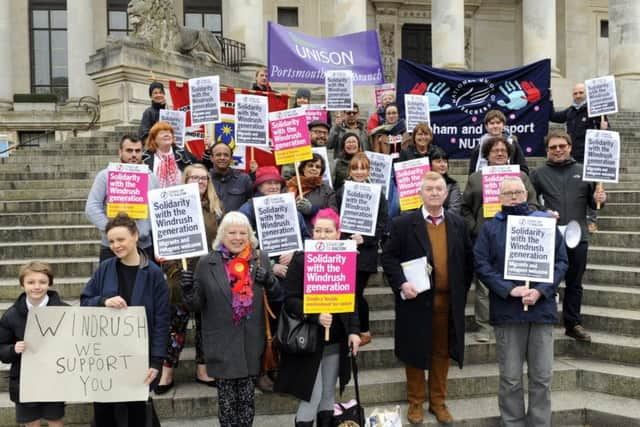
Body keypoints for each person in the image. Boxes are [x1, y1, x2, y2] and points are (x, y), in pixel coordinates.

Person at [474, 176, 568, 427]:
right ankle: (512, 423)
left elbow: (561, 262)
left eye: (518, 191)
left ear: (526, 194)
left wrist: (540, 291)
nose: (514, 196)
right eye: (508, 193)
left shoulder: (545, 223)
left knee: (542, 377)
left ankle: (539, 423)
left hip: (541, 310)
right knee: (511, 378)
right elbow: (481, 264)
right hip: (508, 312)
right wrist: (509, 290)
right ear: (499, 198)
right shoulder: (490, 228)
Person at [382, 171, 473, 424]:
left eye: (439, 188)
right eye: (429, 188)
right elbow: (388, 258)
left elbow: (468, 261)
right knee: (414, 353)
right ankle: (415, 403)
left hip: (447, 304)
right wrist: (401, 283)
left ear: (446, 193)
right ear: (420, 193)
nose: (434, 192)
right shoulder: (403, 224)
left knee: (442, 353)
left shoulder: (458, 224)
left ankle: (438, 402)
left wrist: (460, 292)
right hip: (415, 302)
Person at [179, 212, 281, 427]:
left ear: (250, 235)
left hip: (251, 343)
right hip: (221, 344)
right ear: (222, 235)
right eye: (231, 232)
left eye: (243, 232)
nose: (237, 237)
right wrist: (187, 289)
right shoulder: (207, 262)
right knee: (227, 404)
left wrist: (270, 281)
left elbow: (277, 298)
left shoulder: (260, 258)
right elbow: (195, 305)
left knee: (246, 403)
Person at [81, 213, 169, 427]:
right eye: (111, 241)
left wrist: (156, 362)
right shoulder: (105, 268)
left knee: (136, 414)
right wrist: (103, 301)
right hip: (105, 356)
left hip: (138, 356)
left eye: (121, 239)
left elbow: (161, 321)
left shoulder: (154, 274)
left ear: (135, 236)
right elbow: (85, 301)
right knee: (103, 412)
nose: (116, 245)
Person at [275, 209, 361, 427]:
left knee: (328, 396)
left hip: (336, 339)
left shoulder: (346, 259)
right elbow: (291, 300)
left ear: (338, 233)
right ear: (312, 233)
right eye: (318, 230)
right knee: (312, 395)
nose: (322, 235)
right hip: (310, 341)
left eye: (328, 231)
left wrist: (354, 331)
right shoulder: (301, 260)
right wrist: (314, 315)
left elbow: (352, 300)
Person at [530, 130, 607, 342]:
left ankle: (573, 323)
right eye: (553, 147)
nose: (557, 150)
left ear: (570, 147)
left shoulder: (584, 171)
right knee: (547, 281)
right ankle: (544, 321)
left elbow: (594, 203)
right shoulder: (537, 174)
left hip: (578, 237)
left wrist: (600, 197)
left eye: (561, 146)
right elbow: (531, 203)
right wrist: (541, 212)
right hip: (549, 238)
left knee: (574, 282)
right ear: (547, 150)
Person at [461, 135, 539, 343]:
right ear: (486, 155)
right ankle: (484, 327)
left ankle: (511, 323)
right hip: (485, 238)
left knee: (514, 281)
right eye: (495, 150)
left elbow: (534, 204)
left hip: (516, 238)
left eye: (503, 150)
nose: (500, 153)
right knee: (484, 285)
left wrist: (523, 220)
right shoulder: (475, 178)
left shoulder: (521, 177)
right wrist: (476, 228)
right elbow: (464, 208)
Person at [155, 164, 224, 393]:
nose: (200, 181)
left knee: (206, 324)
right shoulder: (171, 204)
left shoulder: (215, 209)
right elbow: (162, 241)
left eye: (204, 178)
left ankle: (203, 368)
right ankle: (167, 370)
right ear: (185, 179)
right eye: (195, 177)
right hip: (179, 275)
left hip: (208, 275)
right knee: (176, 325)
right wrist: (173, 270)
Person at [0, 261, 67, 427]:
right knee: (31, 423)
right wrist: (12, 349)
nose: (37, 287)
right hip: (24, 379)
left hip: (55, 378)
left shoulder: (65, 311)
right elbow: (1, 349)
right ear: (22, 284)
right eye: (31, 282)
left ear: (49, 283)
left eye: (42, 282)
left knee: (55, 420)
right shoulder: (11, 315)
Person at [336, 153, 388, 346]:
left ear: (369, 170)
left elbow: (382, 223)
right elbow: (336, 219)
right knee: (348, 292)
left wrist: (364, 238)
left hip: (366, 252)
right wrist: (346, 240)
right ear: (350, 170)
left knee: (356, 293)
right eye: (355, 168)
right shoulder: (341, 192)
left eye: (363, 168)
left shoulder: (378, 193)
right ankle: (354, 330)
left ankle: (362, 330)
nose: (359, 172)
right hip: (346, 248)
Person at [85, 134, 158, 261]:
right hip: (112, 246)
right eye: (129, 151)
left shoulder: (151, 177)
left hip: (144, 245)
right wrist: (113, 230)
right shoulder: (105, 176)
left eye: (138, 151)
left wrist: (144, 229)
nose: (134, 155)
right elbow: (92, 208)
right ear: (120, 152)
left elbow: (157, 208)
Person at [549, 83, 609, 233]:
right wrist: (548, 100)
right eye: (575, 93)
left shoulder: (595, 111)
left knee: (591, 189)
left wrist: (605, 128)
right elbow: (553, 116)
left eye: (581, 93)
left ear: (586, 94)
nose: (578, 95)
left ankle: (591, 220)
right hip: (571, 157)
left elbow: (607, 133)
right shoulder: (570, 111)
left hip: (589, 157)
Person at [142, 121, 208, 188]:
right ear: (154, 139)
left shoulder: (183, 153)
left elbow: (203, 167)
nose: (167, 135)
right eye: (162, 133)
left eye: (169, 132)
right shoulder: (145, 157)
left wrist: (208, 151)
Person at [286, 153, 338, 232]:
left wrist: (312, 210)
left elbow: (333, 215)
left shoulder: (327, 190)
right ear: (303, 168)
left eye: (317, 167)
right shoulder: (289, 186)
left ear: (321, 171)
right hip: (291, 232)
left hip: (313, 234)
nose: (314, 168)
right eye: (310, 165)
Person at [467, 110, 529, 176]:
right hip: (486, 184)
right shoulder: (479, 147)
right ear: (486, 126)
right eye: (492, 123)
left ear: (503, 125)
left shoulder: (512, 144)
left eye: (498, 123)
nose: (495, 126)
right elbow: (472, 172)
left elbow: (523, 169)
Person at [209, 141, 253, 211]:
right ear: (211, 158)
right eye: (218, 155)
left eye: (226, 155)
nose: (222, 157)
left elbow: (251, 205)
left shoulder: (244, 179)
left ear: (231, 158)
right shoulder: (205, 179)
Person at [429, 147, 462, 214]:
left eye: (445, 161)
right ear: (430, 165)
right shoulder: (421, 183)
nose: (442, 165)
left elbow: (454, 210)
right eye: (438, 162)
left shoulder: (453, 185)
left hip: (446, 221)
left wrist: (438, 220)